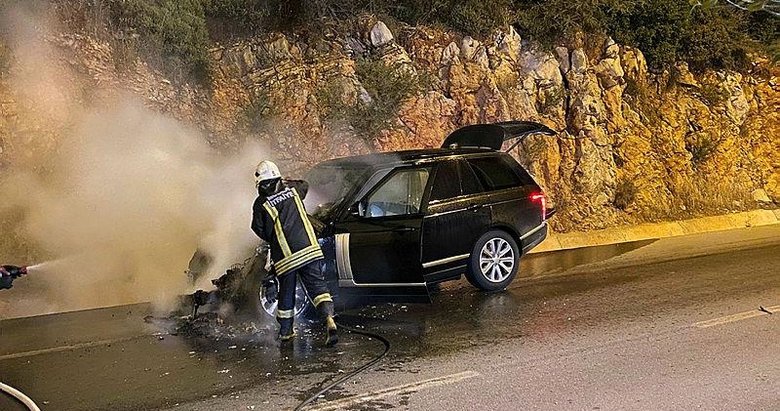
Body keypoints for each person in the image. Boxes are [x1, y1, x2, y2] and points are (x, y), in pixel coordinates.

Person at [251, 160, 338, 346]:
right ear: (277, 177)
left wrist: (273, 236)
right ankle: (329, 319)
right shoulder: (293, 190)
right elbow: (304, 184)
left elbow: (258, 229)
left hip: (286, 257)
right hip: (309, 248)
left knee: (286, 294)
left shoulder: (260, 204)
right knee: (317, 288)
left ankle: (286, 333)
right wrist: (287, 181)